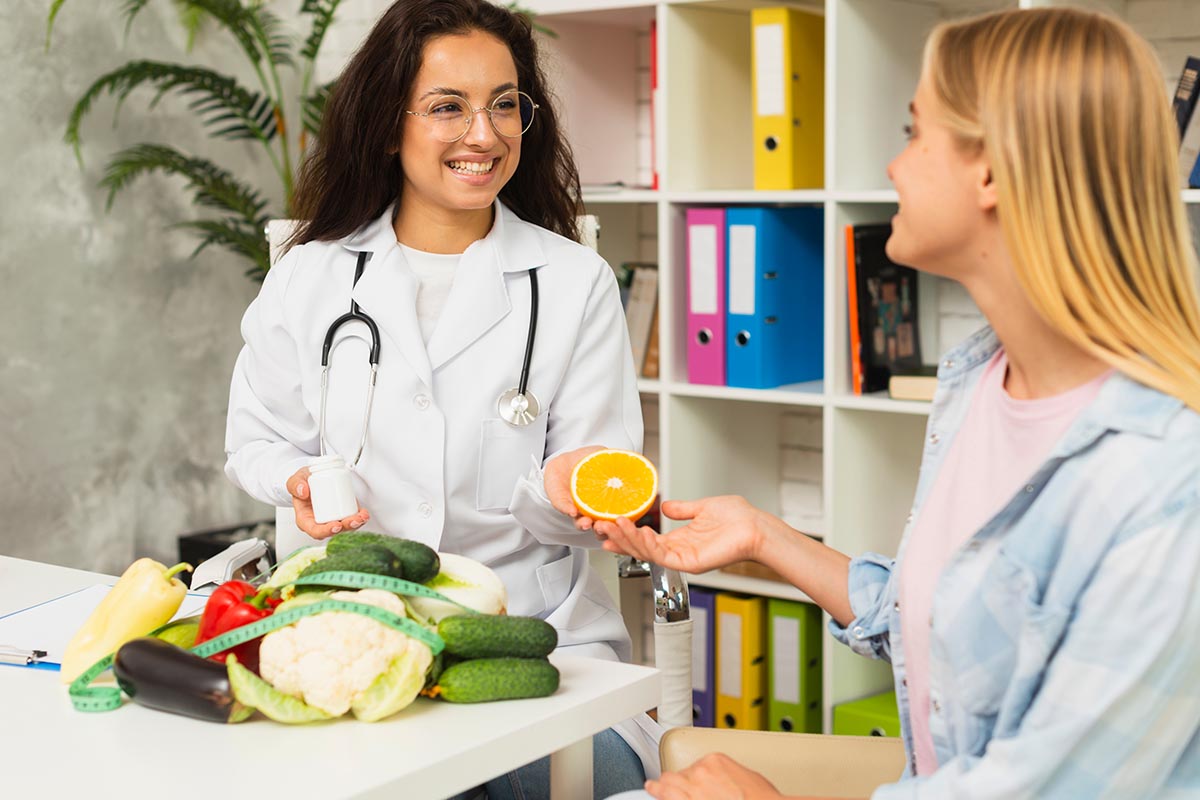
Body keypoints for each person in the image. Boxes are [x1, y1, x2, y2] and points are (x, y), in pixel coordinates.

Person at [598, 7, 1200, 799]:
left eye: (916, 134)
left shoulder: (1166, 477)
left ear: (992, 173)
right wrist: (765, 536)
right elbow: (943, 629)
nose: (893, 165)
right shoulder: (982, 380)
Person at [222, 0, 656, 796]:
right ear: (389, 125)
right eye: (448, 107)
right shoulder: (310, 275)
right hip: (356, 638)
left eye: (504, 104)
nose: (483, 135)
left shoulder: (574, 282)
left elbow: (593, 490)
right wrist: (295, 480)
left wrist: (566, 488)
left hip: (538, 644)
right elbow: (254, 440)